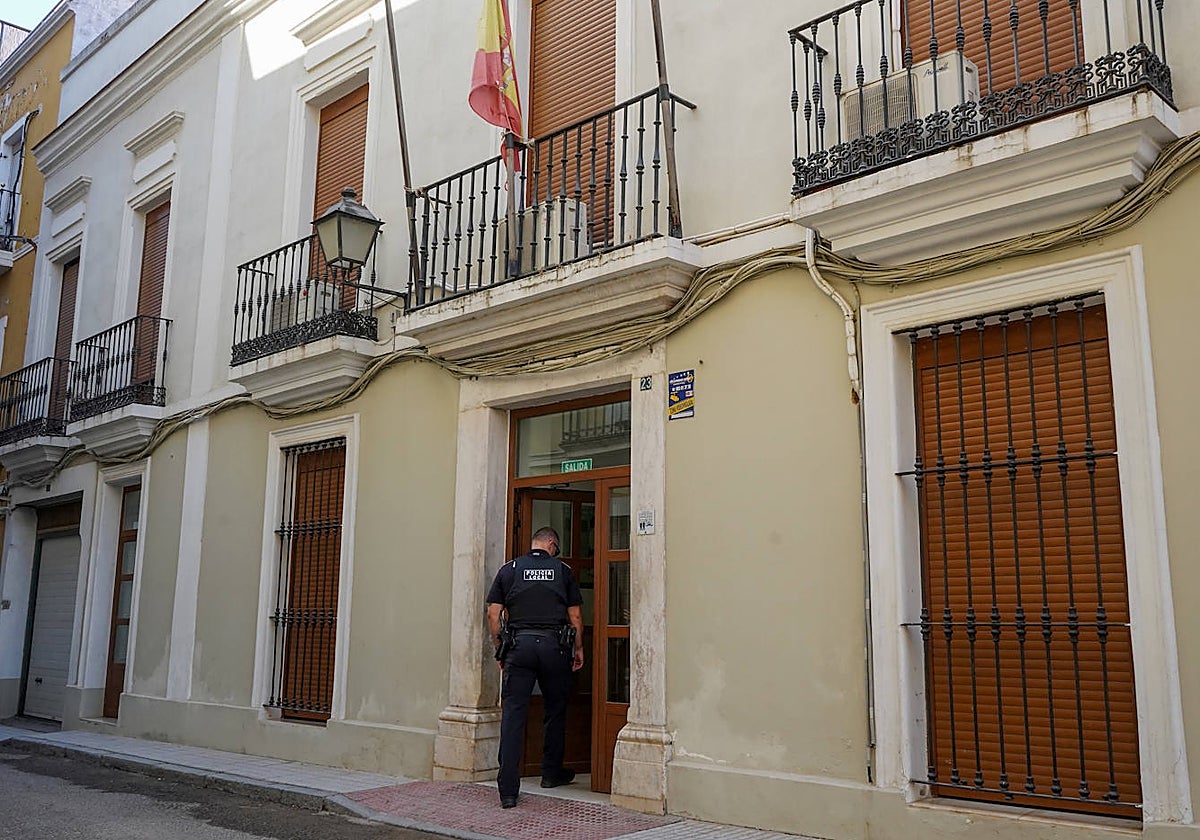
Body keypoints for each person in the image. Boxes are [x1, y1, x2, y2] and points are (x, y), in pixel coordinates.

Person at [486, 526, 585, 809]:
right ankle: (551, 772)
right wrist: (578, 649)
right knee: (555, 709)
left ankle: (508, 790)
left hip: (519, 646)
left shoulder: (511, 568)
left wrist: (500, 645)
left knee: (513, 714)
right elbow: (575, 615)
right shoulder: (562, 570)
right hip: (554, 646)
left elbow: (494, 612)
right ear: (552, 544)